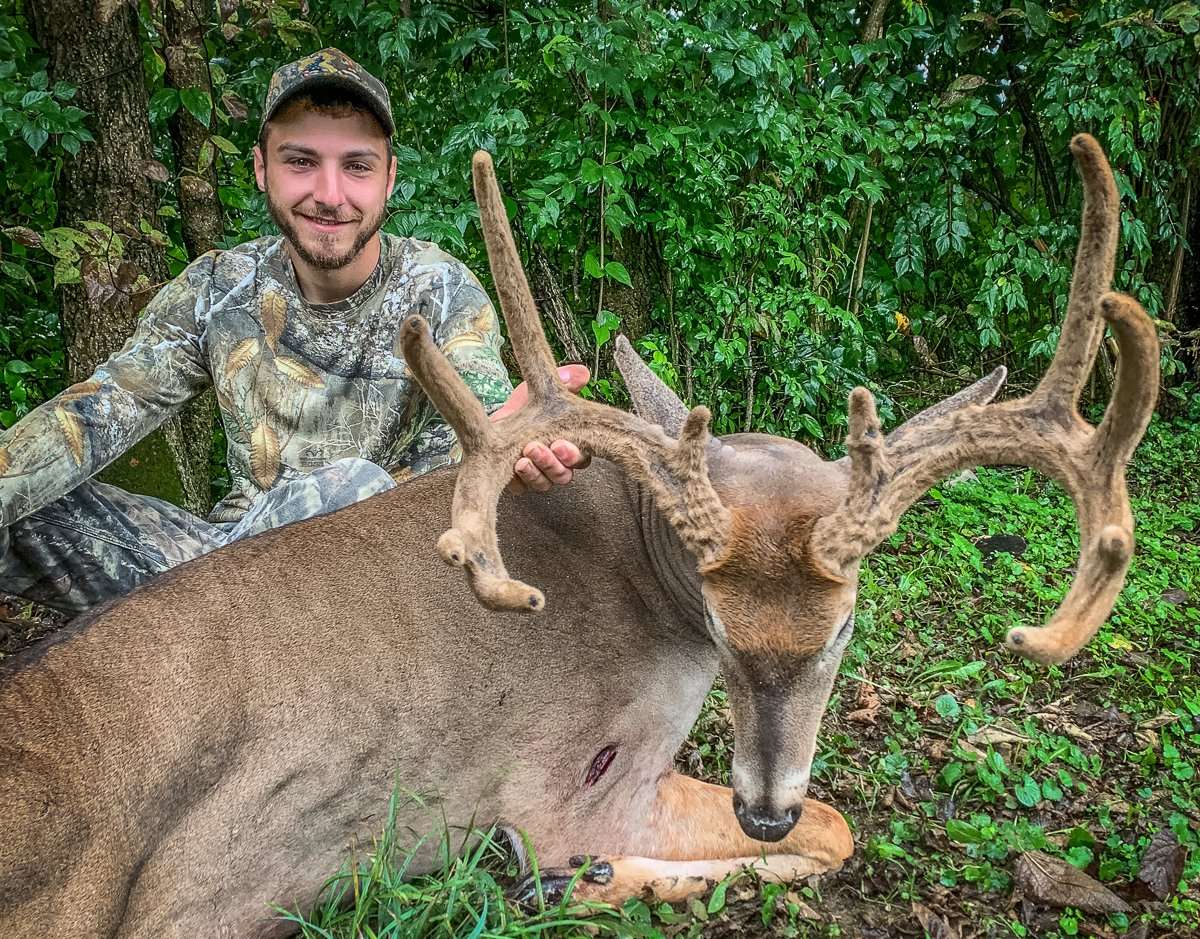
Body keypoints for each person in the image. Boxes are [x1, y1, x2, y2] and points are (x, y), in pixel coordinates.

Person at [0, 48, 587, 616]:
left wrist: (515, 438)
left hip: (383, 587)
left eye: (356, 166)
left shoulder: (438, 289)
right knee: (23, 504)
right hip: (222, 568)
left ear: (388, 179)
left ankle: (205, 658)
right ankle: (203, 650)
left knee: (354, 487)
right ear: (261, 168)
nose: (330, 196)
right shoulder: (218, 288)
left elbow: (484, 410)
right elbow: (99, 411)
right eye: (301, 161)